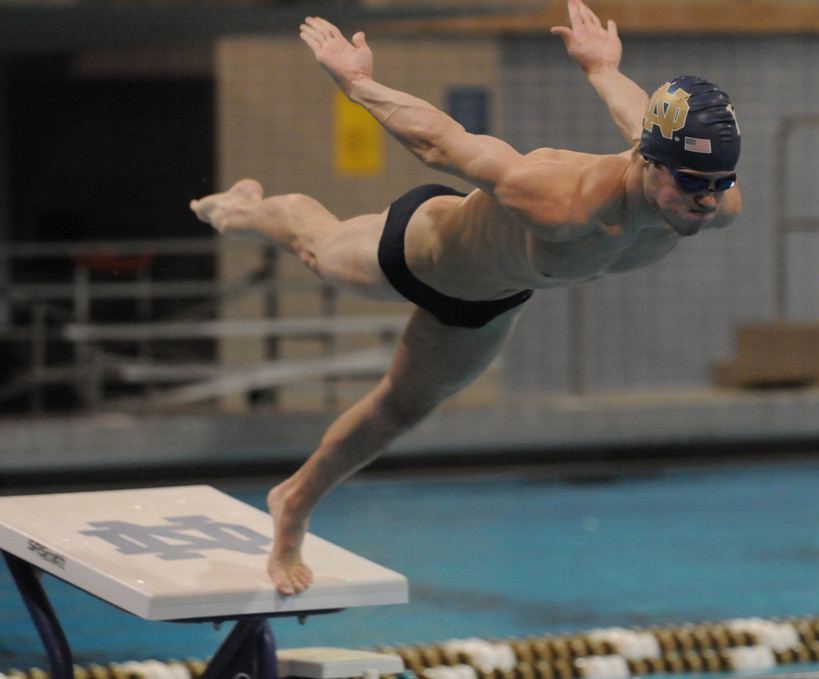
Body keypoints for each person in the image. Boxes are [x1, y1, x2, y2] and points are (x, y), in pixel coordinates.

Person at [190, 0, 742, 596]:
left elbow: (642, 115)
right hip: (425, 251)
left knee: (402, 408)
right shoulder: (561, 200)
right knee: (319, 250)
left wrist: (603, 68)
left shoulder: (704, 198)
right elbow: (442, 143)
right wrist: (358, 83)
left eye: (719, 183)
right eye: (692, 184)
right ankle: (249, 208)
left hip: (492, 300)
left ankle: (293, 500)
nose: (708, 202)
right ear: (650, 163)